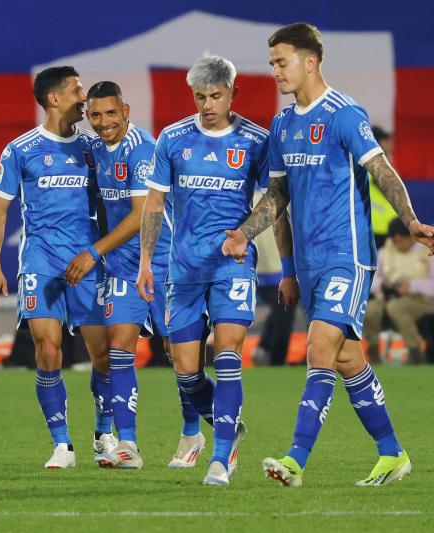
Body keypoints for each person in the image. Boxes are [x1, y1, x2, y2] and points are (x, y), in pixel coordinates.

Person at [222, 22, 434, 487]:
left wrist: (410, 221)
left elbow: (381, 169)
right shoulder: (283, 124)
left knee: (319, 348)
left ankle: (294, 461)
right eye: (271, 63)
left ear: (310, 62)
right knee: (347, 360)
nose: (275, 71)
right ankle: (392, 454)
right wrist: (254, 241)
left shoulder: (344, 113)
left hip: (348, 255)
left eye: (281, 62)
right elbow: (278, 197)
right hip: (308, 263)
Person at [137, 53, 298, 485]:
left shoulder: (255, 140)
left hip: (232, 267)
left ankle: (221, 458)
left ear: (232, 93)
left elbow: (277, 198)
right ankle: (227, 424)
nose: (207, 105)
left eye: (215, 96)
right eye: (200, 97)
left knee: (227, 356)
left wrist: (266, 251)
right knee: (186, 371)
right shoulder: (173, 139)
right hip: (184, 269)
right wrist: (146, 262)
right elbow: (154, 203)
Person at [0, 66, 114, 470]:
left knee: (104, 353)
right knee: (48, 348)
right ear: (54, 98)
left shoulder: (93, 148)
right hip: (40, 261)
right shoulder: (20, 150)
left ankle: (104, 435)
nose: (84, 97)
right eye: (77, 90)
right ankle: (61, 444)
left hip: (87, 260)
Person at [70, 80, 199, 469]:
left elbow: (141, 214)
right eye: (95, 115)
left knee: (179, 356)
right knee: (119, 348)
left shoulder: (142, 150)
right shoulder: (95, 149)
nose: (104, 122)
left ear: (125, 111)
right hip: (124, 267)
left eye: (111, 113)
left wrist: (94, 251)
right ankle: (127, 444)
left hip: (164, 264)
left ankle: (192, 433)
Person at [364, 217, 434, 364]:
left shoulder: (432, 250)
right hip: (388, 299)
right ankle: (373, 353)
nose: (397, 241)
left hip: (425, 303)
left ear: (412, 236)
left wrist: (411, 287)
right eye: (394, 238)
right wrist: (383, 286)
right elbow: (369, 280)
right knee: (369, 310)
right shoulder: (385, 252)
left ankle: (416, 353)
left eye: (401, 237)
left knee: (397, 307)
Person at [251, 189, 298, 366]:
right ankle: (276, 358)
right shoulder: (281, 193)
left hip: (265, 266)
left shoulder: (252, 192)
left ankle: (265, 348)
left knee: (280, 311)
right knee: (284, 313)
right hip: (275, 267)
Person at [368, 126, 397, 249]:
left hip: (388, 228)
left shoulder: (385, 165)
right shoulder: (372, 165)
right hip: (375, 230)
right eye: (386, 140)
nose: (390, 144)